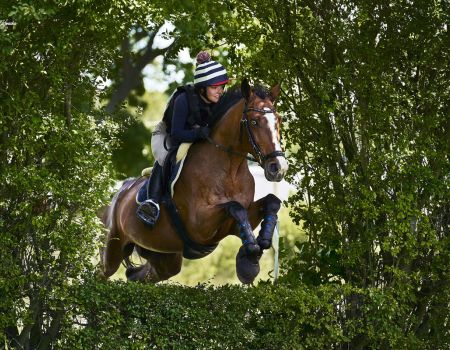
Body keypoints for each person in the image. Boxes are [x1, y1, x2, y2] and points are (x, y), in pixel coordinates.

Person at [136, 51, 229, 228]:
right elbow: (177, 133)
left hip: (195, 134)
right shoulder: (183, 100)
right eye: (215, 87)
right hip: (168, 134)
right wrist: (198, 134)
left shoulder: (218, 100)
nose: (220, 91)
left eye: (222, 86)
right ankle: (152, 203)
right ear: (203, 88)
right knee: (167, 156)